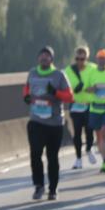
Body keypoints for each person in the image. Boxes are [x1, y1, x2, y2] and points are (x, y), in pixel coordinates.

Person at [23, 46, 74, 200]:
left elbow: (69, 97)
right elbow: (27, 89)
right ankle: (39, 186)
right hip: (36, 121)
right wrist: (26, 96)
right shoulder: (32, 73)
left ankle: (53, 188)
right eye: (42, 55)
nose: (44, 58)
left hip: (54, 123)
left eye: (47, 56)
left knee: (52, 157)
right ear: (38, 58)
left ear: (52, 59)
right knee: (35, 154)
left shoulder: (59, 75)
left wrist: (55, 92)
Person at [64, 46, 96, 169]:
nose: (80, 62)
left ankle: (89, 148)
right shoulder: (69, 70)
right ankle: (78, 158)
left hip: (89, 105)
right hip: (75, 106)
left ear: (86, 58)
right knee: (77, 132)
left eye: (82, 59)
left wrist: (93, 88)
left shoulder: (92, 68)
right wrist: (81, 89)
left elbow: (96, 82)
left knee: (89, 130)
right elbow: (70, 87)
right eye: (77, 59)